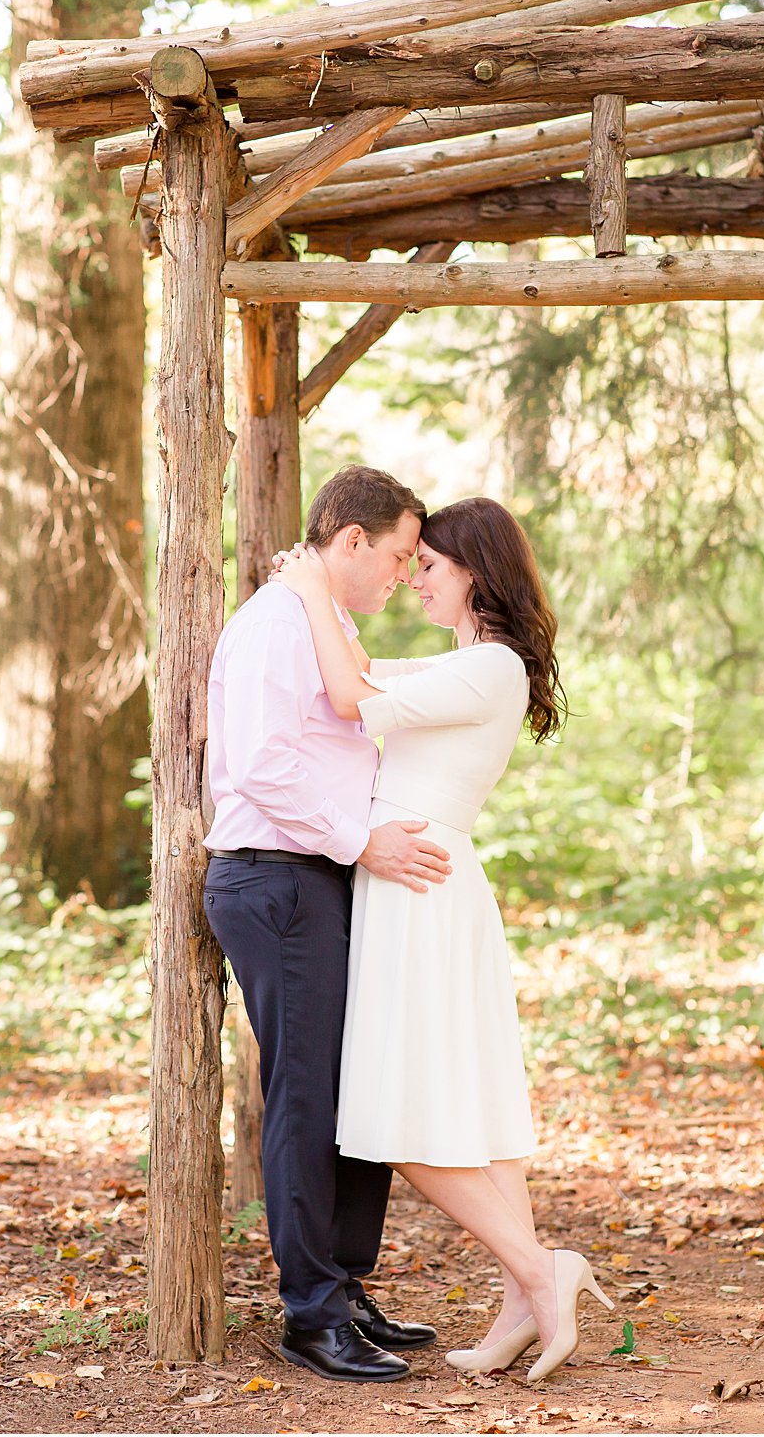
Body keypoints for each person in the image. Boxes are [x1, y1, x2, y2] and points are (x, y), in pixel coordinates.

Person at [272, 496, 614, 1383]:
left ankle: (544, 1271)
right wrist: (320, 601)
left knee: (398, 1115)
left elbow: (348, 696)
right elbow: (359, 664)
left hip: (420, 886)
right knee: (482, 1115)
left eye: (428, 564)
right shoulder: (467, 661)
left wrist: (312, 590)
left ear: (472, 570)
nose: (415, 575)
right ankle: (521, 1297)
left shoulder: (493, 667)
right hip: (414, 880)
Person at [203, 465, 453, 1385]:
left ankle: (342, 1287)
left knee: (357, 1088)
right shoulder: (277, 624)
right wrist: (363, 843)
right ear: (349, 541)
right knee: (307, 1095)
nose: (400, 575)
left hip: (323, 875)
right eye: (394, 556)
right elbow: (266, 768)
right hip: (277, 879)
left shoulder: (326, 619)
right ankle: (308, 1313)